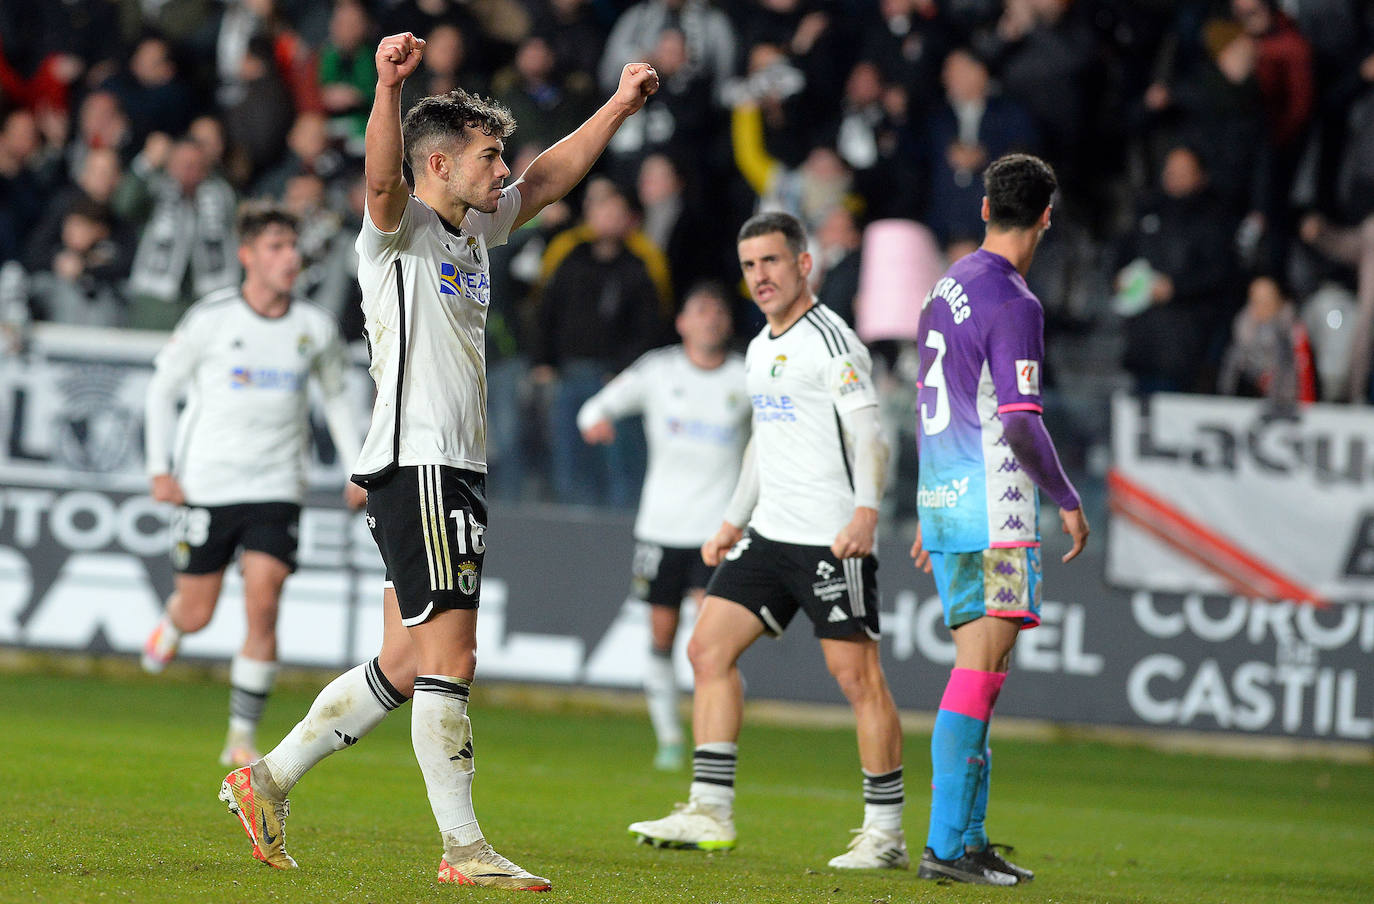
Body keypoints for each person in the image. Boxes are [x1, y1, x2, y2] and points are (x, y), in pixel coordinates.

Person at [217, 31, 659, 891]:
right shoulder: (397, 231)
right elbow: (381, 178)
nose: (505, 170)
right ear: (439, 166)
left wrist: (617, 104)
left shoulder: (475, 229)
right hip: (422, 465)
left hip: (443, 468)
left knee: (406, 663)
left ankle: (264, 778)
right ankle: (464, 846)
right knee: (453, 657)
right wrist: (387, 86)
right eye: (489, 157)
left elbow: (554, 177)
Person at [628, 211, 907, 871]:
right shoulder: (761, 346)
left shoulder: (833, 342)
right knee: (706, 649)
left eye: (772, 262)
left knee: (858, 678)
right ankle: (710, 810)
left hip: (831, 540)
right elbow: (764, 440)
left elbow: (871, 434)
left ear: (804, 264)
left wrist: (867, 512)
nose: (760, 276)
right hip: (769, 534)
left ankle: (885, 834)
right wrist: (732, 518)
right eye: (750, 264)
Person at [909, 153, 1089, 885]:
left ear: (985, 208)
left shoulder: (947, 284)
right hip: (998, 511)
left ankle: (969, 840)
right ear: (1047, 215)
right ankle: (947, 848)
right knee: (979, 673)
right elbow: (1017, 423)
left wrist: (931, 503)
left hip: (950, 502)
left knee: (984, 670)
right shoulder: (1015, 303)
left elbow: (935, 399)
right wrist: (1070, 499)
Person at [140, 202, 367, 768]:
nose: (290, 258)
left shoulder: (313, 328)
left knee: (263, 605)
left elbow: (338, 399)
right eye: (275, 247)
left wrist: (355, 467)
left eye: (293, 248)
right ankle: (173, 622)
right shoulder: (211, 319)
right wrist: (159, 469)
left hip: (277, 486)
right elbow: (161, 392)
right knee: (198, 614)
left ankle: (240, 736)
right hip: (209, 485)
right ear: (247, 256)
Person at [577, 282, 750, 771]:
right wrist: (595, 421)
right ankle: (670, 737)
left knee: (712, 637)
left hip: (718, 530)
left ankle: (712, 736)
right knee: (662, 634)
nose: (710, 319)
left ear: (728, 323)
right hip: (661, 526)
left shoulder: (746, 377)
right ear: (683, 323)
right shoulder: (658, 371)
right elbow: (595, 405)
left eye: (718, 311)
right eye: (700, 310)